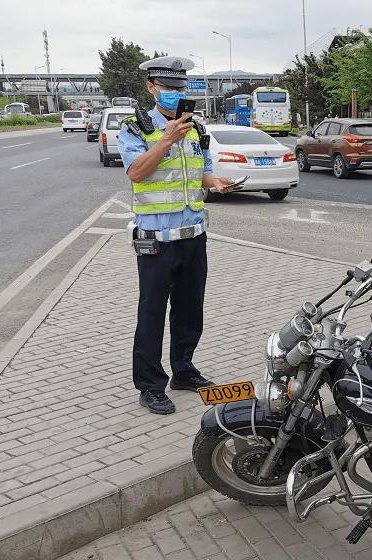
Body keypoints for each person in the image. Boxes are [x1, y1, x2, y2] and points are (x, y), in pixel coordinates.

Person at [118, 56, 240, 414]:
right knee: (152, 313)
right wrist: (166, 140)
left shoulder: (197, 129)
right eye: (167, 87)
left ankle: (183, 371)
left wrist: (215, 182)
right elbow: (136, 172)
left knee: (190, 310)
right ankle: (150, 386)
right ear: (151, 88)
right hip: (156, 239)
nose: (175, 93)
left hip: (193, 235)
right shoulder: (136, 128)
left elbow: (201, 173)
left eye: (180, 88)